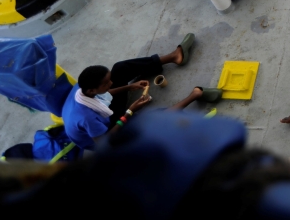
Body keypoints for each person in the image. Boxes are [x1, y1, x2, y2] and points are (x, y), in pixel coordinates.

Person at [62, 36, 219, 150]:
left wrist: (129, 87)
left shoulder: (83, 88)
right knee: (149, 121)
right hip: (107, 135)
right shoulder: (86, 118)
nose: (111, 83)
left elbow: (104, 94)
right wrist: (129, 112)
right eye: (106, 83)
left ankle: (174, 56)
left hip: (102, 115)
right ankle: (195, 95)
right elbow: (105, 143)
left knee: (119, 68)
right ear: (92, 90)